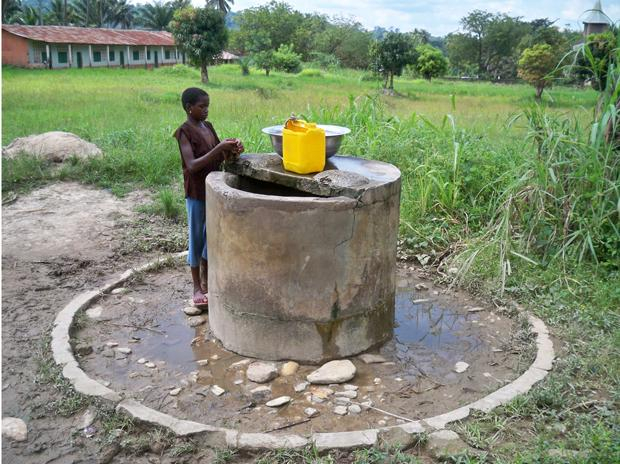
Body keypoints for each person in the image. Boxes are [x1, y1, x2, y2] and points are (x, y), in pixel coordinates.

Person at [174, 87, 243, 307]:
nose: (206, 110)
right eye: (201, 107)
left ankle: (206, 279)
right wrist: (220, 148)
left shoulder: (208, 127)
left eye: (207, 106)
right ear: (189, 108)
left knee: (210, 235)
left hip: (212, 189)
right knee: (196, 238)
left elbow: (219, 155)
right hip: (196, 192)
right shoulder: (184, 132)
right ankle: (196, 287)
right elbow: (193, 165)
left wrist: (232, 149)